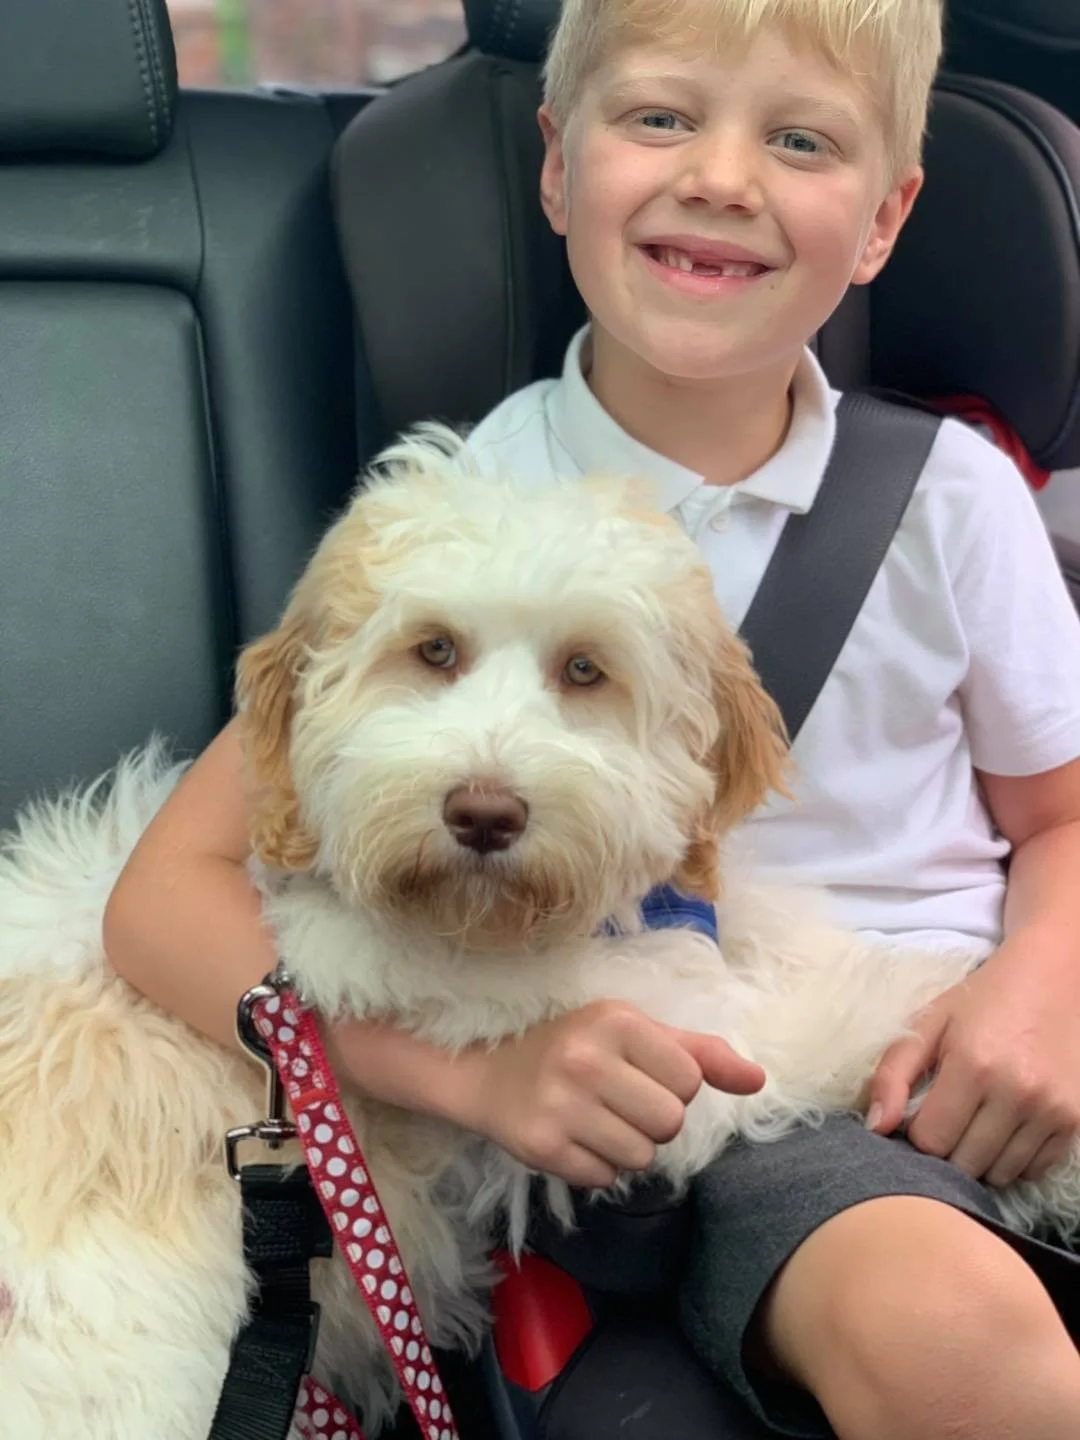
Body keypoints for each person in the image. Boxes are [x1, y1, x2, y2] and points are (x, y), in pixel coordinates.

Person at [105, 1, 1080, 1435]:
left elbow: (1058, 815)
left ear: (885, 219)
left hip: (953, 1042)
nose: (724, 178)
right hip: (718, 1104)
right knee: (949, 1338)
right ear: (558, 167)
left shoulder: (959, 501)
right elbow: (163, 900)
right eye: (663, 118)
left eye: (799, 139)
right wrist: (465, 1073)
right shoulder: (447, 516)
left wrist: (1047, 982)